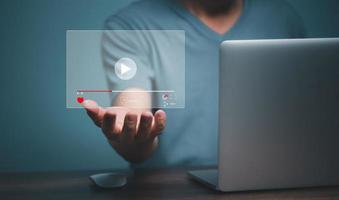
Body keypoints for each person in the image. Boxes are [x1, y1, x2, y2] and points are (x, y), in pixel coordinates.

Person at [83, 0, 305, 167]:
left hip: (272, 181)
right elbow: (133, 103)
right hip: (170, 189)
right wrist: (132, 131)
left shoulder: (283, 17)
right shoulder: (131, 25)